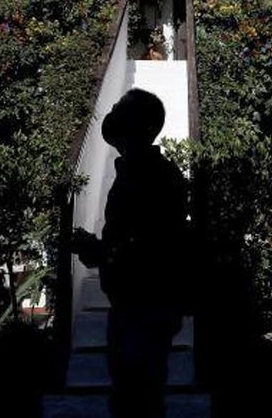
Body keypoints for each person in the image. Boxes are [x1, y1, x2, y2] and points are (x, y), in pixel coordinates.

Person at [71, 89, 189, 418]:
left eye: (121, 110)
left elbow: (146, 242)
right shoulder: (138, 170)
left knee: (137, 398)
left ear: (142, 126)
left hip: (146, 305)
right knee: (136, 393)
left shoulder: (150, 176)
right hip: (136, 304)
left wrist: (99, 250)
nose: (112, 114)